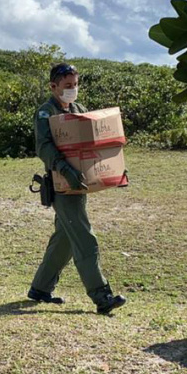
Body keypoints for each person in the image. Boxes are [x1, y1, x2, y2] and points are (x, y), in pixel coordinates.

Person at [28, 63, 126, 315]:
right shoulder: (45, 112)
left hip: (79, 184)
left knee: (65, 239)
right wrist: (65, 169)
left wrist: (113, 169)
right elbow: (44, 147)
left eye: (75, 85)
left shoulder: (78, 109)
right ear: (53, 86)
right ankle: (101, 296)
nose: (72, 90)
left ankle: (40, 289)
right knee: (84, 238)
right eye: (67, 86)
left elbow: (93, 142)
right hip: (62, 186)